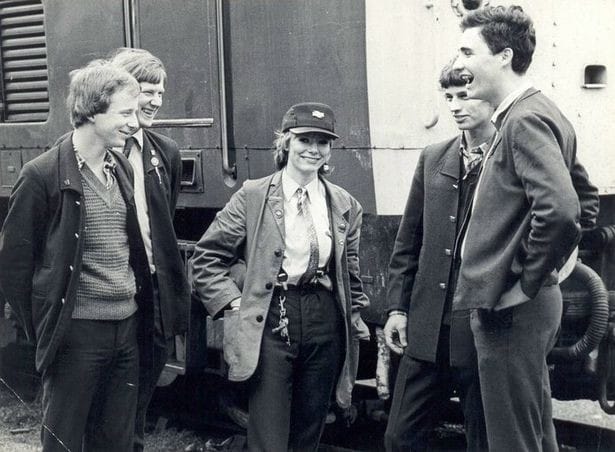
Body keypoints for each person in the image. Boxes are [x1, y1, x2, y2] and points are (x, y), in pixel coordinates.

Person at [452, 5, 599, 451]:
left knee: (511, 439)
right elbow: (585, 201)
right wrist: (551, 267)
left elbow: (561, 211)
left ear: (503, 56)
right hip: (523, 308)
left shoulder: (522, 120)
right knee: (534, 434)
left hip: (511, 308)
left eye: (467, 51)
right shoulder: (536, 111)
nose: (459, 65)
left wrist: (527, 281)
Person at [189, 102, 370, 451]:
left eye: (323, 142)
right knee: (269, 433)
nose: (313, 150)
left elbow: (350, 270)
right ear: (286, 141)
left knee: (310, 428)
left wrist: (356, 311)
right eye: (305, 139)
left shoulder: (345, 204)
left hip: (323, 314)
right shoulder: (254, 195)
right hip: (272, 315)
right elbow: (206, 257)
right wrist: (235, 301)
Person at [0, 60, 146, 451]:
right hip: (76, 334)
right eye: (126, 113)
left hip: (125, 330)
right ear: (93, 111)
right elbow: (13, 264)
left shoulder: (120, 169)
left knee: (115, 442)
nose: (136, 123)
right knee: (64, 442)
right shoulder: (42, 175)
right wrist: (50, 326)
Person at [383, 63, 491, 451]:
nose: (456, 106)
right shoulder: (433, 157)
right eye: (449, 97)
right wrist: (397, 309)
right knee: (399, 439)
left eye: (465, 95)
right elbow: (408, 242)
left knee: (485, 440)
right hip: (426, 331)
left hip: (481, 333)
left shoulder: (507, 159)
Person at [109, 47, 190, 451]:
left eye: (160, 91)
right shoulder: (90, 149)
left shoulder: (166, 153)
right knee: (106, 409)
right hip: (109, 296)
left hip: (152, 299)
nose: (156, 101)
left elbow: (161, 224)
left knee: (137, 403)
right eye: (146, 90)